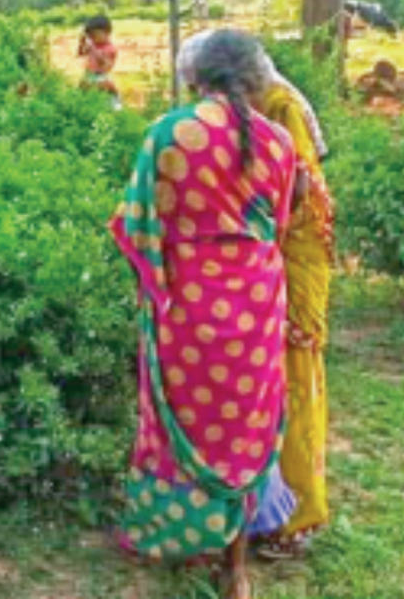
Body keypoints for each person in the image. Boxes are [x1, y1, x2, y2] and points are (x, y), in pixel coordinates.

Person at [112, 30, 298, 599]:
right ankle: (236, 567)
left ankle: (186, 537)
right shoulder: (278, 141)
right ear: (253, 77)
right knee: (245, 426)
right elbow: (281, 227)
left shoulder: (167, 134)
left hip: (188, 306)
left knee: (188, 421)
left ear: (197, 76)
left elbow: (136, 227)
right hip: (257, 303)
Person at [252, 52, 336, 560]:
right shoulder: (272, 100)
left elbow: (298, 189)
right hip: (289, 257)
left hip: (296, 261)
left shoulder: (278, 105)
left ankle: (296, 518)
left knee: (296, 381)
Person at [79, 15, 121, 107]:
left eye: (94, 35)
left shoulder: (110, 48)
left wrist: (94, 50)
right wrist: (82, 43)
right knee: (86, 97)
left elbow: (106, 66)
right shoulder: (93, 45)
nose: (92, 39)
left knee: (106, 100)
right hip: (89, 74)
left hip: (102, 76)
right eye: (90, 36)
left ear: (106, 33)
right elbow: (81, 53)